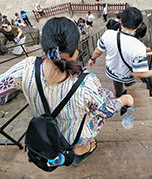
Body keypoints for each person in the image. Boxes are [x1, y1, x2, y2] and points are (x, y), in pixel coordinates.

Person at [0, 17, 133, 166]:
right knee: (105, 97)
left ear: (45, 46)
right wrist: (125, 100)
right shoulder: (86, 83)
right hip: (74, 137)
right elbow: (105, 110)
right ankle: (81, 151)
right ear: (76, 50)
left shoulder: (27, 68)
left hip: (46, 133)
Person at [89, 7, 152, 97]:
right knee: (129, 81)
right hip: (127, 77)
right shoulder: (139, 48)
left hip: (112, 71)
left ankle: (119, 95)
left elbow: (98, 50)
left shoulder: (108, 34)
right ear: (138, 26)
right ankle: (126, 85)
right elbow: (139, 74)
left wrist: (93, 58)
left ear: (120, 21)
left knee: (117, 83)